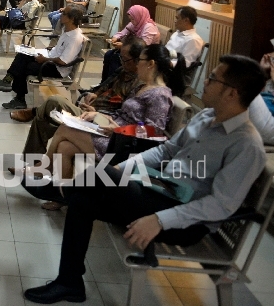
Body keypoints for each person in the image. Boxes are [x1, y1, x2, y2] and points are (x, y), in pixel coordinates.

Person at [23, 55, 268, 304]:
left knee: (100, 174)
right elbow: (165, 151)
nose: (205, 82)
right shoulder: (206, 118)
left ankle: (59, 189)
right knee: (84, 200)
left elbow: (220, 205)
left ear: (232, 93)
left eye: (213, 78)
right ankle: (69, 282)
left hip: (185, 221)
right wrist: (121, 170)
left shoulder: (246, 145)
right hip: (157, 192)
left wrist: (160, 220)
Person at [42, 44, 184, 187]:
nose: (137, 64)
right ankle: (62, 195)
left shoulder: (160, 95)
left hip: (124, 146)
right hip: (113, 136)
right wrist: (98, 115)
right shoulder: (143, 87)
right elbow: (123, 115)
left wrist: (121, 130)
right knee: (64, 147)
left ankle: (44, 168)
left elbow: (154, 131)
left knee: (65, 129)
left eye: (140, 60)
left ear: (151, 64)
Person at [15, 38, 146, 156]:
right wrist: (95, 94)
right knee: (42, 119)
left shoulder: (139, 86)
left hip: (100, 121)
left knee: (53, 101)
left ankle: (33, 115)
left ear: (138, 60)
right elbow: (105, 85)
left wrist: (97, 114)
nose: (121, 62)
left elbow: (123, 116)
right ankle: (33, 162)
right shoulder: (123, 71)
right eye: (120, 57)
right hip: (91, 112)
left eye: (124, 59)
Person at [0, 7, 85, 110]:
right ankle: (7, 81)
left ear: (72, 19)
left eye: (63, 13)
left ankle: (19, 98)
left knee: (26, 66)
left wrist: (45, 59)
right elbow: (58, 50)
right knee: (22, 55)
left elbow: (63, 61)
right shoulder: (66, 30)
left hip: (57, 69)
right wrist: (43, 54)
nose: (60, 14)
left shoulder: (75, 38)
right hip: (50, 58)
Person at [102, 4, 162, 80]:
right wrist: (115, 38)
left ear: (139, 16)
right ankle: (104, 82)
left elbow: (143, 45)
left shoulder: (149, 27)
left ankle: (112, 83)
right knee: (108, 54)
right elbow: (122, 32)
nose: (132, 22)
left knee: (116, 58)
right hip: (134, 51)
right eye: (131, 19)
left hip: (146, 53)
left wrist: (123, 46)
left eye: (133, 19)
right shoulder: (136, 23)